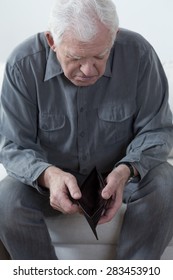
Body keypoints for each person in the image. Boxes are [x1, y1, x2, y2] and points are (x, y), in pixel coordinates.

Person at [0, 0, 173, 260]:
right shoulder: (22, 65)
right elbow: (13, 146)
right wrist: (49, 176)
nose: (88, 70)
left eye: (100, 56)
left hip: (121, 177)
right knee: (7, 199)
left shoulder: (139, 54)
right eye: (76, 58)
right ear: (51, 41)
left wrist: (126, 170)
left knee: (165, 182)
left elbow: (157, 130)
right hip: (50, 182)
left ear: (113, 37)